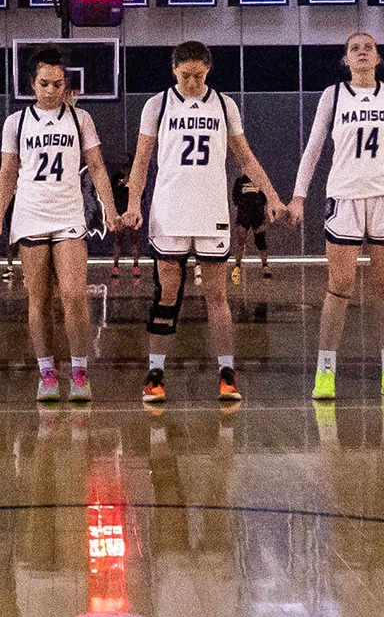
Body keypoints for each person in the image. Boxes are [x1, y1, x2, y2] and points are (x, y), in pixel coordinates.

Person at [121, 40, 286, 403]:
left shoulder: (225, 105)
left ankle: (227, 374)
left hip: (211, 210)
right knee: (167, 295)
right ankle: (155, 374)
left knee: (217, 295)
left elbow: (245, 157)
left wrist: (272, 197)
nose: (192, 82)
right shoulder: (157, 105)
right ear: (173, 70)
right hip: (170, 210)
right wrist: (134, 204)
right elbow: (142, 160)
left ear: (208, 70)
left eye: (198, 75)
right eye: (185, 75)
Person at [288, 31, 384, 400]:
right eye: (354, 48)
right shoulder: (333, 95)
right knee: (339, 286)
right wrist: (298, 196)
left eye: (367, 48)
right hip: (345, 196)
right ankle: (325, 373)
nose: (361, 53)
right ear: (345, 59)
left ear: (378, 57)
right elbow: (313, 148)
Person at [0, 46, 120, 401]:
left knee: (74, 295)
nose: (51, 90)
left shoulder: (80, 119)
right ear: (32, 84)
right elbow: (7, 173)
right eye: (44, 83)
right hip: (30, 215)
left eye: (58, 83)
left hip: (69, 214)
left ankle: (79, 370)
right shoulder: (16, 122)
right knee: (39, 299)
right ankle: (46, 373)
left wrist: (111, 210)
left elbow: (98, 167)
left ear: (66, 85)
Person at [230, 172, 272, 280]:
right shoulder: (240, 181)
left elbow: (265, 197)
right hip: (243, 215)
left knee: (261, 241)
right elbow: (235, 197)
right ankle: (237, 266)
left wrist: (259, 207)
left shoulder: (259, 180)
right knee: (241, 241)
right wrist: (243, 205)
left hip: (258, 215)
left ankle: (265, 266)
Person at [107, 155, 141, 282]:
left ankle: (136, 265)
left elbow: (140, 193)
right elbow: (111, 193)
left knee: (134, 240)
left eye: (127, 165)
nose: (125, 167)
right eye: (123, 165)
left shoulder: (135, 177)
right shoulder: (116, 177)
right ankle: (115, 266)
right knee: (118, 239)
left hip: (131, 212)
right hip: (120, 212)